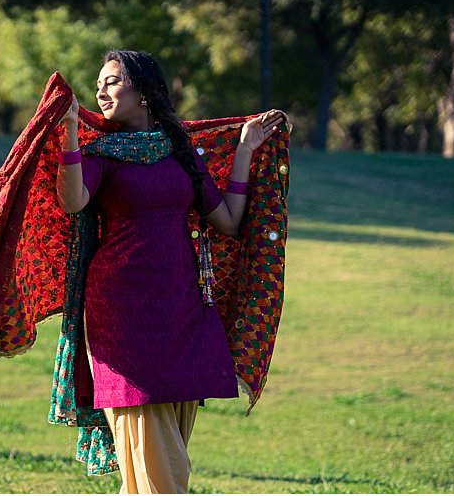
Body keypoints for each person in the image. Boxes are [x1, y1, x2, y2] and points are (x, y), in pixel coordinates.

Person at [55, 50, 286, 493]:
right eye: (98, 83)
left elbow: (229, 221)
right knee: (154, 456)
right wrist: (68, 132)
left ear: (142, 91)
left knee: (165, 450)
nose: (101, 91)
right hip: (121, 312)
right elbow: (73, 202)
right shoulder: (101, 154)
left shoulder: (178, 151)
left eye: (112, 82)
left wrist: (244, 150)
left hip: (182, 308)